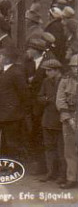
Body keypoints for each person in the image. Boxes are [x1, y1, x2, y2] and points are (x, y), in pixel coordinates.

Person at [0, 48, 29, 165]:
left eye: (1, 57)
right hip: (4, 113)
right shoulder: (3, 71)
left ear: (8, 58)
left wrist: (16, 109)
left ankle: (11, 166)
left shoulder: (16, 73)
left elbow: (24, 93)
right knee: (5, 140)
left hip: (12, 114)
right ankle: (5, 165)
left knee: (11, 141)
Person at [39, 59, 66, 184]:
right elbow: (40, 97)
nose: (46, 73)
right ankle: (50, 172)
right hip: (48, 119)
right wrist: (47, 99)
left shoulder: (64, 81)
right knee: (49, 148)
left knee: (61, 149)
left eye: (49, 70)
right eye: (46, 70)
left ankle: (62, 175)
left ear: (57, 70)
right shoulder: (46, 81)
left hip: (60, 120)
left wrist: (48, 99)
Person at [56, 54, 78, 189]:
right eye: (73, 67)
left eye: (77, 67)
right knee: (69, 151)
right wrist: (69, 119)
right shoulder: (65, 80)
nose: (75, 69)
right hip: (68, 118)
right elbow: (60, 99)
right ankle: (72, 178)